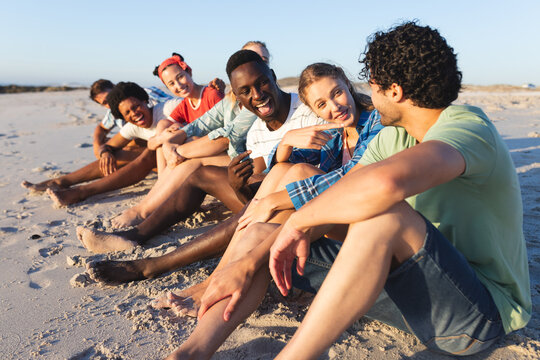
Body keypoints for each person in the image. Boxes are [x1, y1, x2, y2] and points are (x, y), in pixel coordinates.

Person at [160, 22, 531, 359]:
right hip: (413, 296)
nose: (367, 94)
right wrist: (249, 258)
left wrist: (296, 225)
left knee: (385, 217)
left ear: (394, 90)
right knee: (262, 234)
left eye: (372, 85)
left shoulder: (466, 127)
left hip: (477, 317)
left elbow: (384, 184)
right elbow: (342, 191)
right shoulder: (394, 137)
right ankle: (192, 352)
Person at [77, 49, 327, 258]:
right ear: (237, 92)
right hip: (260, 196)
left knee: (195, 165)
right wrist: (236, 183)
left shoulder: (305, 109)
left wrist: (178, 147)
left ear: (271, 74)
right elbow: (252, 170)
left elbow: (226, 138)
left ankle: (143, 232)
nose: (257, 95)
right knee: (200, 173)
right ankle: (135, 232)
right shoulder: (252, 119)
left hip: (297, 205)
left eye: (261, 82)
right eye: (245, 90)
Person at [20, 79, 173, 192]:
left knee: (135, 150)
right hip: (148, 146)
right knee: (115, 153)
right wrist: (101, 149)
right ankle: (61, 182)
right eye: (104, 104)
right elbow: (101, 129)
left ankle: (78, 189)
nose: (108, 105)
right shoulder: (116, 110)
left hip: (168, 145)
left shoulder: (143, 99)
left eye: (108, 100)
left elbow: (172, 111)